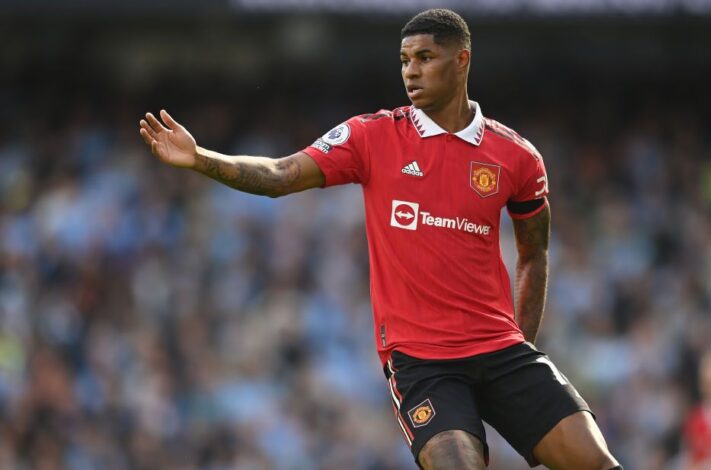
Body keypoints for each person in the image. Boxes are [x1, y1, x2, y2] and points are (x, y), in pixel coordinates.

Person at [139, 8, 620, 470]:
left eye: (425, 58)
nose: (411, 72)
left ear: (462, 59)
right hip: (423, 363)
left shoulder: (515, 157)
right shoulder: (371, 137)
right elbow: (280, 174)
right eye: (405, 61)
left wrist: (518, 344)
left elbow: (534, 254)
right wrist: (200, 157)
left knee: (596, 463)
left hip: (501, 350)